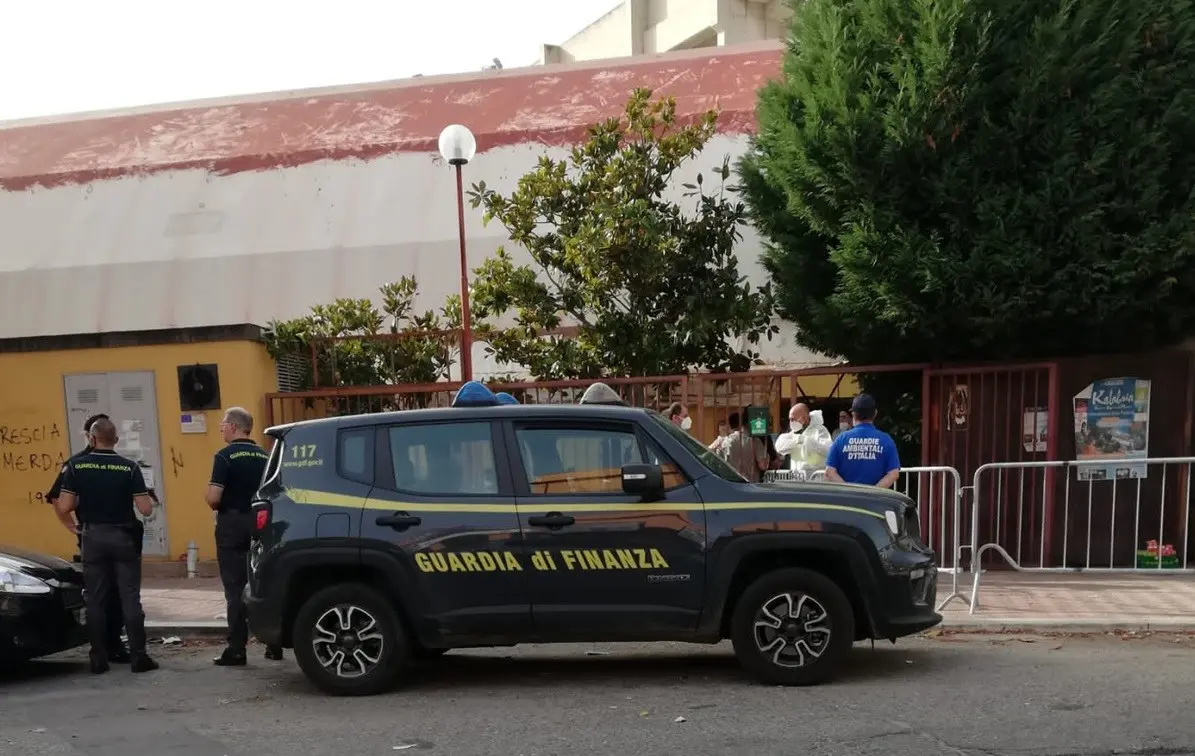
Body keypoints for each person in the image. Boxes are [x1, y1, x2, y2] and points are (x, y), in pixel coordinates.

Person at [53, 418, 157, 674]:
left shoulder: (77, 466)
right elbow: (145, 509)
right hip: (123, 537)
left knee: (96, 600)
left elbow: (64, 506)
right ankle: (139, 657)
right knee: (130, 598)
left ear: (92, 438)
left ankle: (98, 659)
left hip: (93, 538)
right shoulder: (129, 468)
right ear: (116, 440)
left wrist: (83, 506)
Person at [45, 413, 131, 664]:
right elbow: (56, 498)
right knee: (109, 593)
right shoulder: (79, 463)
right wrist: (72, 527)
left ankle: (106, 647)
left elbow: (58, 501)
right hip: (110, 536)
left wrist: (74, 527)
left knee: (104, 594)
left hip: (94, 536)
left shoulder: (81, 463)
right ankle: (108, 645)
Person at [205, 407, 282, 666]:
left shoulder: (225, 456)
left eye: (223, 423)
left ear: (233, 427)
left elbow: (214, 497)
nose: (220, 427)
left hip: (232, 524)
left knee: (235, 587)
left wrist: (213, 503)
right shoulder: (265, 456)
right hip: (260, 523)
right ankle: (274, 644)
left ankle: (237, 649)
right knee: (264, 581)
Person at [824, 394, 901, 488]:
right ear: (875, 413)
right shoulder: (886, 440)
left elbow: (830, 471)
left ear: (853, 414)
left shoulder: (841, 439)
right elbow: (893, 473)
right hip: (875, 501)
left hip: (846, 500)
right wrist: (873, 492)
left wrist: (849, 491)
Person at [723, 412, 768, 483]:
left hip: (732, 483)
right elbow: (763, 465)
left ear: (730, 425)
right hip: (751, 484)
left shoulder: (725, 441)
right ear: (745, 423)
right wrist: (767, 456)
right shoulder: (755, 440)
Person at [773, 403, 811, 470]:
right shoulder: (792, 432)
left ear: (804, 418)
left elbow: (821, 447)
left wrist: (804, 440)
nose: (791, 422)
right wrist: (798, 440)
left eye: (793, 419)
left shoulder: (816, 431)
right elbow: (779, 446)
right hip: (794, 475)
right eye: (790, 419)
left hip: (810, 476)